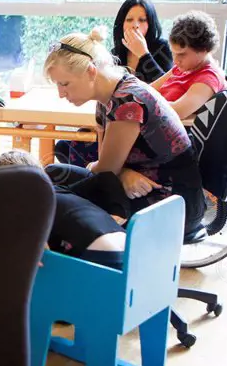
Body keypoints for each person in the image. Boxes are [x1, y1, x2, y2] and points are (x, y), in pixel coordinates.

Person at [42, 28, 205, 235]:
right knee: (51, 175)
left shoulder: (127, 102)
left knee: (55, 200)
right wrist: (123, 173)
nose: (61, 93)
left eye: (65, 84)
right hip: (141, 188)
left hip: (171, 205)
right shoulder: (108, 96)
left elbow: (103, 171)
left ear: (91, 71)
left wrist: (109, 171)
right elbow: (107, 168)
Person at [56, 0, 174, 168]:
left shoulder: (161, 48)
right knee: (64, 146)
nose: (135, 25)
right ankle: (97, 173)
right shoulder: (115, 52)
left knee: (77, 150)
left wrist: (144, 54)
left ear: (151, 23)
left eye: (142, 20)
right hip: (111, 119)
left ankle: (101, 174)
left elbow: (167, 88)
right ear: (121, 24)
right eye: (130, 19)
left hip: (140, 126)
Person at [0, 150, 127, 269]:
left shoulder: (23, 202)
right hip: (128, 245)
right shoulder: (60, 190)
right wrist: (118, 211)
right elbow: (106, 177)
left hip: (99, 252)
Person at [150, 11, 227, 119]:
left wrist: (145, 102)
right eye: (173, 53)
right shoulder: (181, 68)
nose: (176, 60)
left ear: (203, 50)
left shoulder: (209, 77)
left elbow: (178, 111)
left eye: (182, 54)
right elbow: (149, 90)